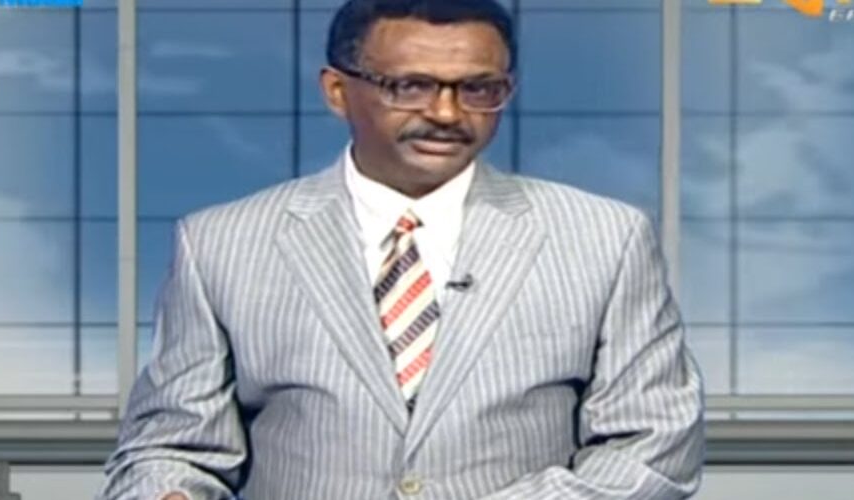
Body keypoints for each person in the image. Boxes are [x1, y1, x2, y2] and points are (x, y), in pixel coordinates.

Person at [100, 0, 705, 498]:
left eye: (478, 89)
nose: (446, 113)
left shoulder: (605, 238)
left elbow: (652, 443)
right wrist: (167, 490)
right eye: (411, 86)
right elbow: (172, 445)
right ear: (338, 91)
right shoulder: (221, 243)